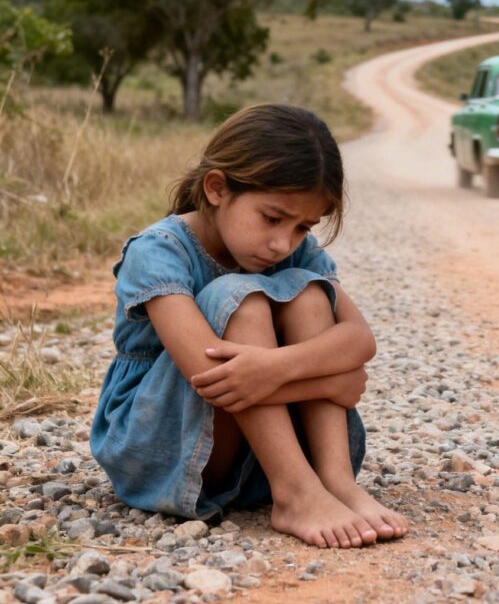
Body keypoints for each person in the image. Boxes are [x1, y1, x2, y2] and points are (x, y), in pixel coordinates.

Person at [91, 104, 408, 549]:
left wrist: (276, 368)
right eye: (272, 218)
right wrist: (330, 380)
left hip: (251, 462)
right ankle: (296, 493)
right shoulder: (157, 251)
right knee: (239, 296)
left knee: (309, 294)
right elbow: (212, 376)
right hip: (162, 450)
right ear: (217, 188)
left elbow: (359, 339)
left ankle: (334, 481)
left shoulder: (297, 252)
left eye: (302, 227)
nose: (283, 244)